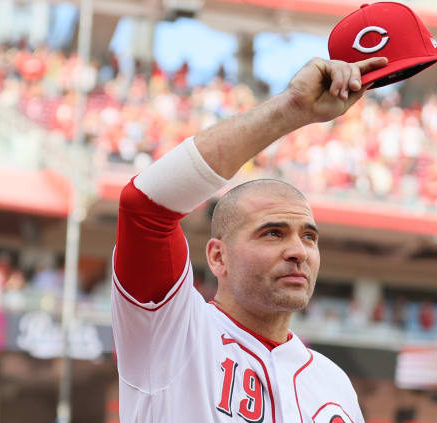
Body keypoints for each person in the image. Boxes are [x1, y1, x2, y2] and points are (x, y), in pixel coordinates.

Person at [112, 56, 388, 423]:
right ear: (218, 257)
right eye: (272, 233)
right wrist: (291, 110)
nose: (298, 251)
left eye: (309, 237)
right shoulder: (171, 331)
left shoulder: (333, 385)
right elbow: (146, 207)